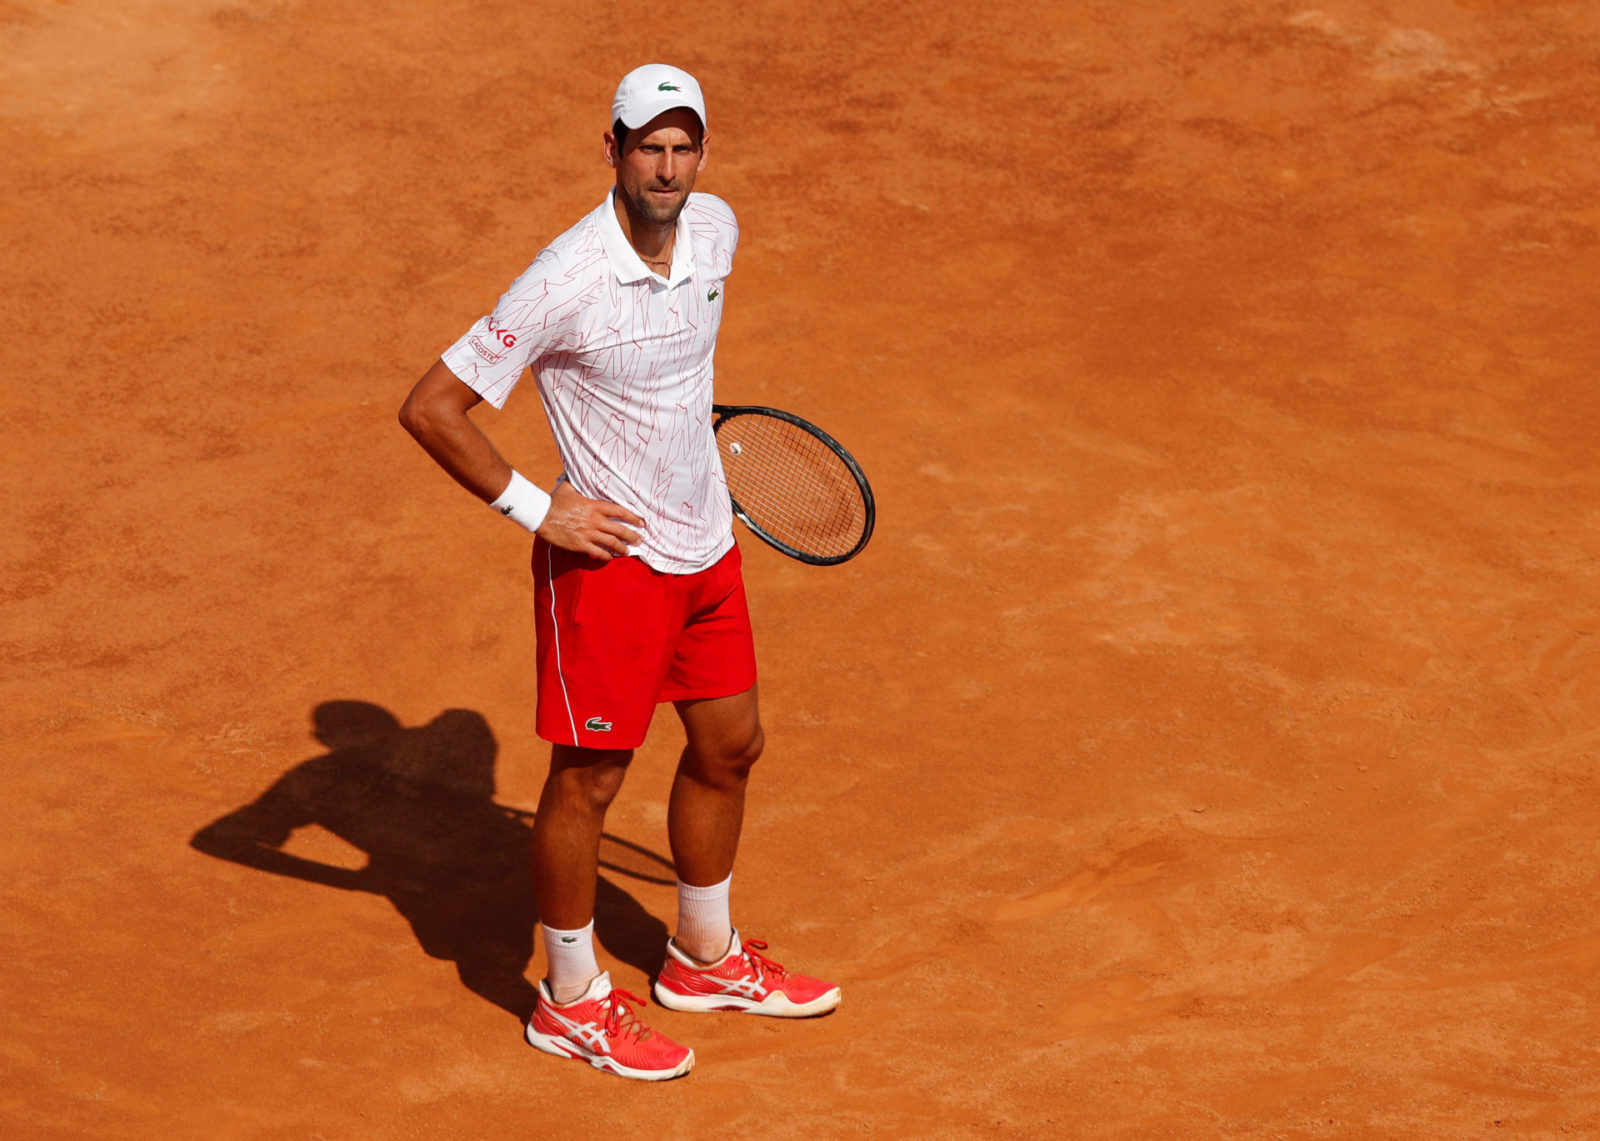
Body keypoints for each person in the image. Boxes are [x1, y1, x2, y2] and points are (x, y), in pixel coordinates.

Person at [398, 63, 839, 1082]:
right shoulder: (564, 279)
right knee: (589, 778)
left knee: (731, 742)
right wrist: (537, 509)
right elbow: (431, 407)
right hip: (609, 569)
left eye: (685, 147)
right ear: (612, 151)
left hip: (707, 547)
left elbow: (681, 368)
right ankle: (569, 998)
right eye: (649, 146)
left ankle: (701, 955)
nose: (669, 167)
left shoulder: (718, 231)